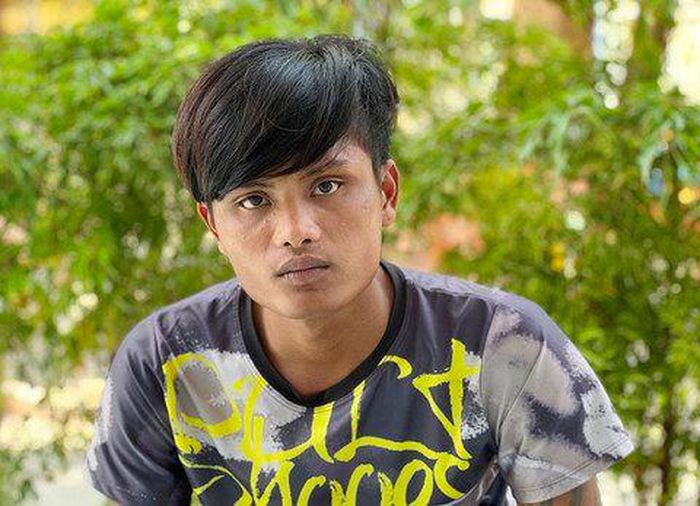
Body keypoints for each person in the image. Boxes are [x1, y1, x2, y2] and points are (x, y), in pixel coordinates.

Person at [85, 34, 633, 505]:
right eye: (253, 200)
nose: (296, 231)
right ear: (213, 226)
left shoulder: (504, 345)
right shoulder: (164, 363)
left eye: (327, 186)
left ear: (386, 192)